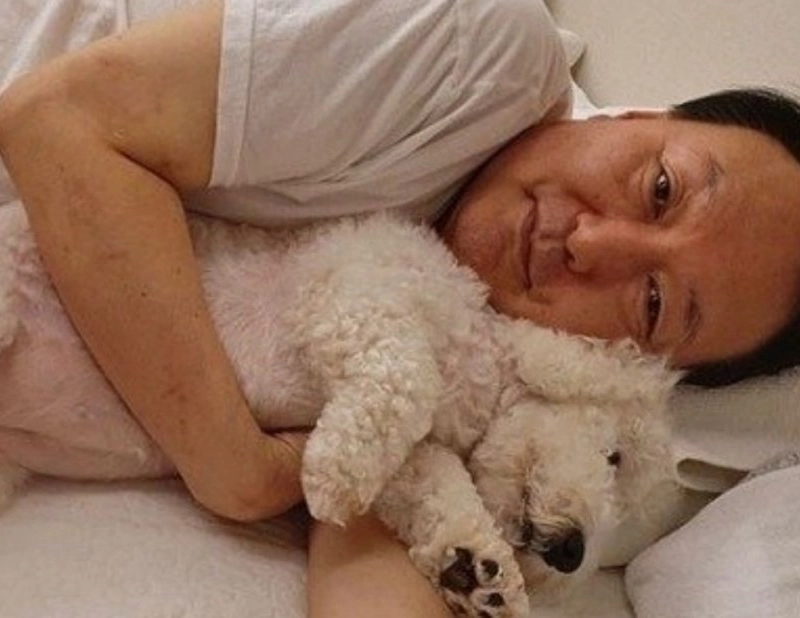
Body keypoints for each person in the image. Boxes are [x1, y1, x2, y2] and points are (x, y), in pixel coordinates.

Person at [2, 1, 800, 617]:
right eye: (660, 189)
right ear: (641, 118)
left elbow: (374, 521)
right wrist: (237, 466)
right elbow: (57, 119)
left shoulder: (498, 359)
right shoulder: (476, 50)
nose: (591, 244)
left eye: (654, 301)